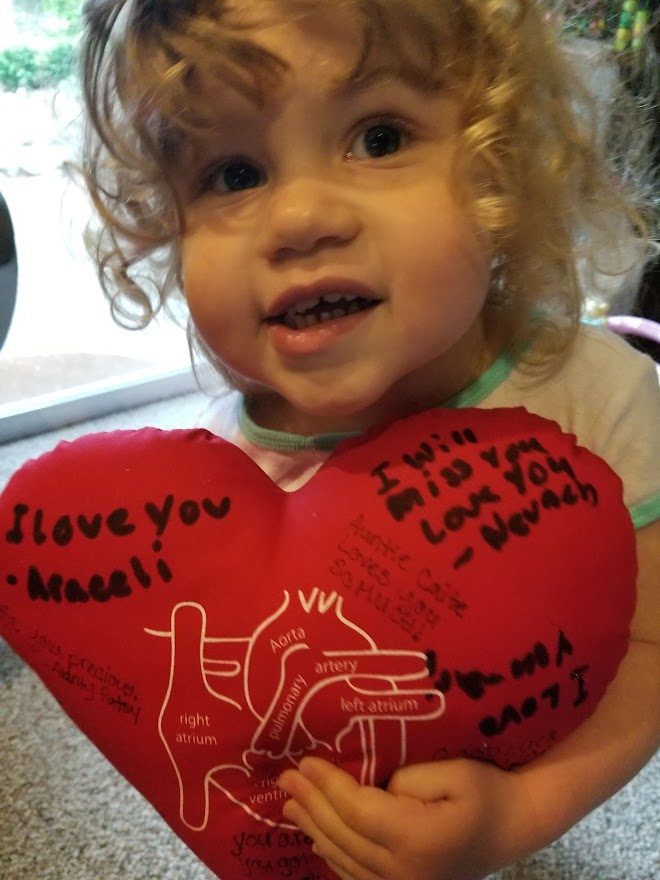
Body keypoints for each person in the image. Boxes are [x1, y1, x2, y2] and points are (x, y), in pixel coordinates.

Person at [77, 1, 659, 878]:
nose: (300, 217)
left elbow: (652, 648)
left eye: (378, 138)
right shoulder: (217, 486)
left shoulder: (597, 397)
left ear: (501, 161)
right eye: (234, 174)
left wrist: (520, 814)